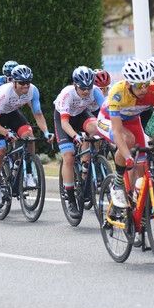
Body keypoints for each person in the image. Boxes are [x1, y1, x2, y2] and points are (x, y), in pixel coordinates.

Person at [96, 59, 154, 208]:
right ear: (128, 84)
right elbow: (116, 130)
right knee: (128, 140)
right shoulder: (117, 92)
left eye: (147, 84)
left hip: (132, 121)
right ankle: (117, 184)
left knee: (141, 166)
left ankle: (136, 205)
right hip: (108, 119)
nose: (144, 89)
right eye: (140, 85)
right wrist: (127, 156)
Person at [0, 65, 53, 205]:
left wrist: (46, 132)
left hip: (13, 114)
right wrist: (6, 133)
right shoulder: (4, 93)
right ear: (14, 82)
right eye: (22, 83)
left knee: (28, 135)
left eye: (28, 82)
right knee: (1, 150)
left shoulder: (33, 91)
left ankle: (28, 173)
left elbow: (38, 114)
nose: (25, 86)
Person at [53, 66, 104, 219]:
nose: (86, 91)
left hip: (81, 114)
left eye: (89, 88)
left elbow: (105, 113)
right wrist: (75, 136)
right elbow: (65, 124)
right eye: (83, 88)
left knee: (96, 127)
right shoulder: (67, 94)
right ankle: (70, 199)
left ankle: (88, 164)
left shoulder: (95, 91)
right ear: (75, 85)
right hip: (65, 121)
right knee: (68, 156)